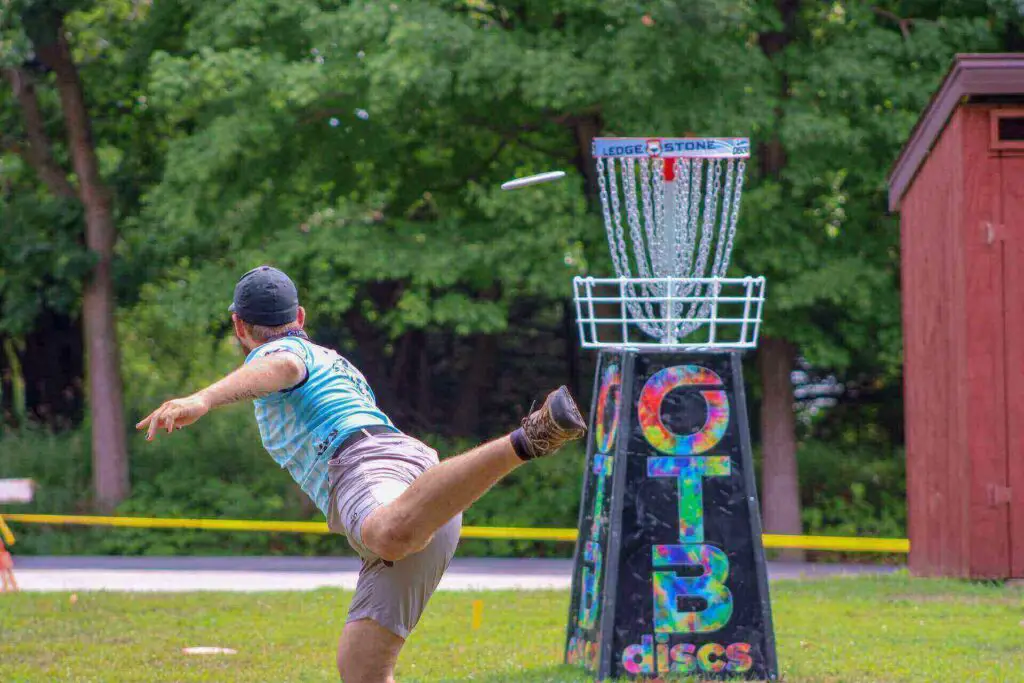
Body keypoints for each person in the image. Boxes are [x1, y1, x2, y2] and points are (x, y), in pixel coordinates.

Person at [136, 265, 587, 683]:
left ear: (238, 325)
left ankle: (530, 439)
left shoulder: (283, 352)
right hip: (420, 489)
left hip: (367, 467)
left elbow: (284, 366)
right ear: (299, 314)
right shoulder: (332, 359)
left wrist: (202, 400)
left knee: (387, 533)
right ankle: (520, 445)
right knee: (361, 667)